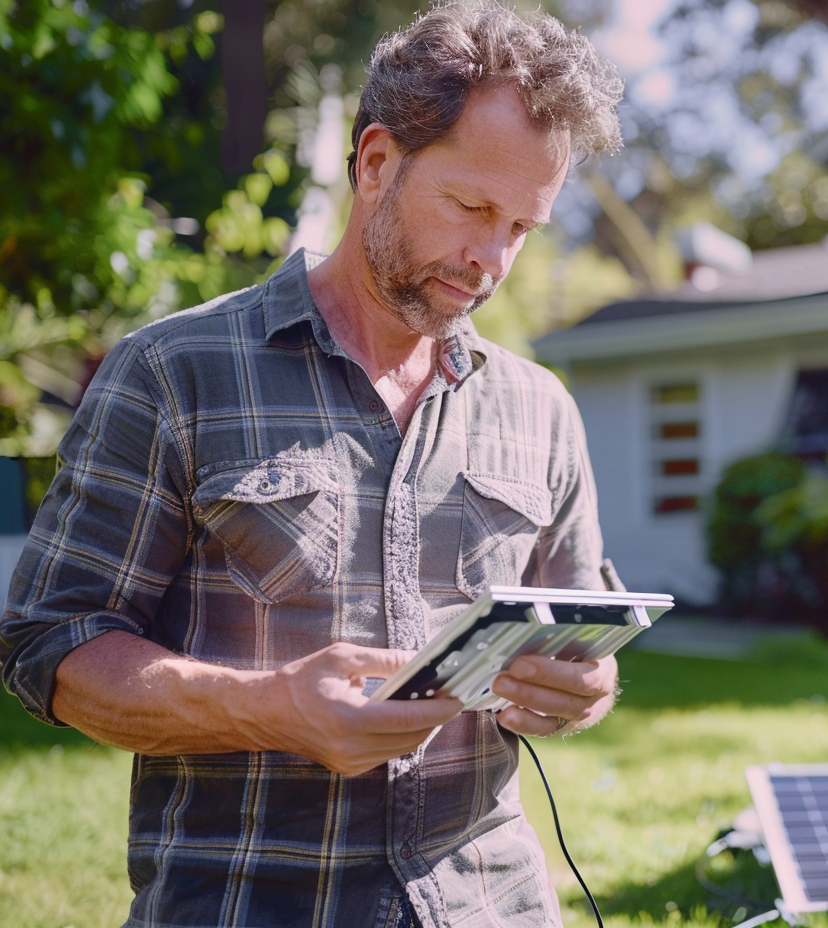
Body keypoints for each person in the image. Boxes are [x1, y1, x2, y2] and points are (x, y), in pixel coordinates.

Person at [0, 3, 624, 926]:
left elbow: (584, 637)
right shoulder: (175, 372)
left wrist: (583, 688)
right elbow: (46, 644)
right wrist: (270, 708)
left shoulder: (541, 409)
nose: (491, 259)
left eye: (523, 227)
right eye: (471, 208)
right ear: (376, 163)